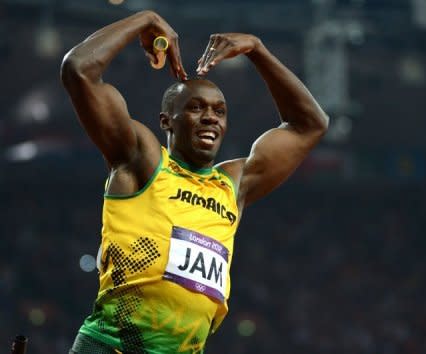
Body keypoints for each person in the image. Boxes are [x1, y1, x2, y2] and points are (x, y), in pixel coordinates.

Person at [61, 10, 329, 354]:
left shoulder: (234, 183)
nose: (210, 118)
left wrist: (257, 51)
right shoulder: (142, 159)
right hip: (112, 346)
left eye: (219, 111)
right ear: (167, 121)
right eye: (196, 108)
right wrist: (144, 20)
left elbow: (311, 124)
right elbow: (79, 70)